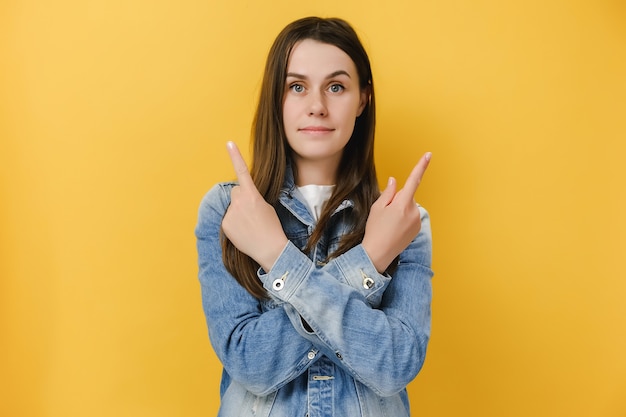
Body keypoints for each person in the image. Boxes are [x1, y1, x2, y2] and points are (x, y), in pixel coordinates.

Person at [195, 16, 433, 417]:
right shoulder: (227, 211)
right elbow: (252, 364)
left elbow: (395, 366)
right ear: (277, 98)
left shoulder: (405, 222)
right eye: (297, 86)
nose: (317, 106)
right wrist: (368, 263)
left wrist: (275, 257)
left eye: (336, 87)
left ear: (363, 99)